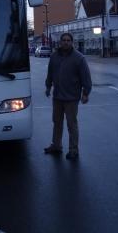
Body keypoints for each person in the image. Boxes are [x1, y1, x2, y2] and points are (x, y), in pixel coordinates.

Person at [44, 32, 92, 160]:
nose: (66, 42)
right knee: (57, 123)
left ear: (72, 42)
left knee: (72, 125)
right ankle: (56, 146)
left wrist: (86, 93)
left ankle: (73, 150)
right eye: (63, 40)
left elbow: (86, 77)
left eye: (68, 40)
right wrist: (48, 86)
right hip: (58, 97)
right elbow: (50, 73)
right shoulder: (54, 57)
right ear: (60, 42)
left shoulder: (79, 58)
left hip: (71, 98)